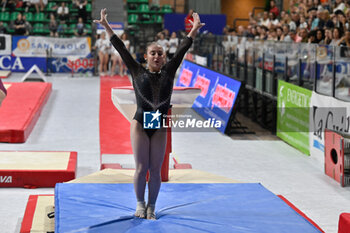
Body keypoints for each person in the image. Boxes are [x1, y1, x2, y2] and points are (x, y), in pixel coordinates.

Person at [94, 8, 204, 220]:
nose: (156, 56)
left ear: (164, 58)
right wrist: (107, 26)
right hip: (140, 123)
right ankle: (139, 204)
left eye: (160, 53)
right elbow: (120, 48)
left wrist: (194, 30)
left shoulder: (170, 71)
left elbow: (182, 49)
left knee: (155, 170)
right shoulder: (137, 71)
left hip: (159, 124)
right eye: (152, 53)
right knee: (141, 167)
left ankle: (152, 206)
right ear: (146, 57)